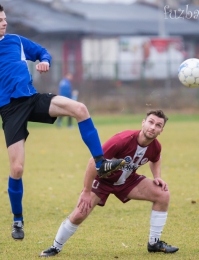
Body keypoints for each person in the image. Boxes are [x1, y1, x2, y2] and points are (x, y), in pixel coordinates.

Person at [0, 4, 125, 241]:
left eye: (4, 18)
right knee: (16, 169)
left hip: (32, 98)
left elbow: (43, 52)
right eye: (0, 20)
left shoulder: (16, 41)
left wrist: (44, 61)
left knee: (80, 109)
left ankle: (101, 163)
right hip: (10, 110)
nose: (4, 23)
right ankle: (18, 219)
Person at [39, 110, 179, 257]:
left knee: (163, 194)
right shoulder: (122, 140)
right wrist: (86, 191)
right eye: (150, 122)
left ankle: (154, 243)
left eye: (158, 125)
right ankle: (55, 247)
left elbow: (156, 158)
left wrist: (157, 177)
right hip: (103, 180)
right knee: (79, 214)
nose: (153, 127)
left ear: (161, 130)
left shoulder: (155, 146)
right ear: (143, 123)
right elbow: (93, 162)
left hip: (127, 180)